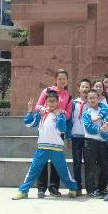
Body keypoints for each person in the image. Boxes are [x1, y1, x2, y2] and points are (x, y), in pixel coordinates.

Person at [12, 92, 78, 200]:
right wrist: (30, 111)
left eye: (53, 101)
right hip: (42, 149)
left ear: (58, 102)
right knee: (33, 171)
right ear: (45, 102)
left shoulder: (60, 114)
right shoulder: (41, 114)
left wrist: (59, 115)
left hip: (56, 149)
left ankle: (73, 188)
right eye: (49, 101)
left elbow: (62, 129)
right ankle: (23, 191)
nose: (51, 103)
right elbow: (29, 124)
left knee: (63, 171)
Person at [34, 69, 73, 198]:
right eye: (59, 78)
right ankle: (41, 188)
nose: (62, 81)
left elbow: (68, 114)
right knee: (42, 160)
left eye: (64, 79)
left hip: (59, 130)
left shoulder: (69, 96)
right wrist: (44, 108)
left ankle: (54, 187)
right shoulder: (47, 91)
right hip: (45, 128)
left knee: (57, 161)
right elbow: (37, 106)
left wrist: (60, 111)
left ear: (67, 81)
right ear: (55, 79)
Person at [82, 89, 108, 197]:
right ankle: (90, 190)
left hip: (103, 142)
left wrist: (107, 128)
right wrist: (100, 129)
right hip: (90, 142)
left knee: (106, 166)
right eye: (90, 98)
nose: (92, 100)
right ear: (87, 100)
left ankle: (102, 188)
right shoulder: (86, 113)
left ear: (98, 98)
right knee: (90, 167)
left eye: (94, 97)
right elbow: (89, 127)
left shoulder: (104, 110)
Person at [67, 78, 91, 195]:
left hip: (88, 137)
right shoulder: (73, 103)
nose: (85, 89)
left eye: (87, 87)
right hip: (75, 137)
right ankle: (78, 187)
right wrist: (69, 137)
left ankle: (90, 188)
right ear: (79, 89)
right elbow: (69, 120)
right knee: (76, 163)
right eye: (83, 87)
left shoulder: (92, 103)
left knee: (88, 163)